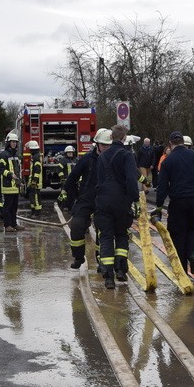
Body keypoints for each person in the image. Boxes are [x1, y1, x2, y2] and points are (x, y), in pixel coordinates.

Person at [153, 130, 194, 275]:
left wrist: (158, 206)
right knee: (192, 230)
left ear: (170, 144)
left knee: (178, 234)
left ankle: (183, 271)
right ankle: (193, 254)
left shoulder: (168, 161)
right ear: (183, 142)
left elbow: (162, 187)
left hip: (178, 202)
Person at [94, 124, 141, 289]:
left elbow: (98, 182)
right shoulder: (127, 156)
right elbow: (131, 180)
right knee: (121, 234)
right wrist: (135, 200)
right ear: (123, 138)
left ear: (112, 137)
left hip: (103, 201)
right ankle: (120, 270)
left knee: (106, 236)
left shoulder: (101, 157)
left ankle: (108, 278)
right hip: (122, 202)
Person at [62, 128, 110, 269]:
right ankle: (78, 257)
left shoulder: (113, 159)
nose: (106, 148)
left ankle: (101, 261)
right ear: (97, 144)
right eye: (103, 145)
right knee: (76, 227)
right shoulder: (87, 159)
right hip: (86, 197)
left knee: (103, 231)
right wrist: (65, 191)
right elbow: (73, 177)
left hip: (104, 199)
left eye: (108, 145)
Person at [0, 131, 24, 232]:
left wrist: (19, 181)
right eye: (12, 142)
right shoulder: (3, 155)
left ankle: (14, 224)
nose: (14, 144)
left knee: (14, 207)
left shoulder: (16, 155)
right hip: (8, 186)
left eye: (16, 142)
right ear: (8, 143)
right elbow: (0, 168)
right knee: (7, 207)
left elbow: (17, 170)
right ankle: (7, 225)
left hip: (15, 186)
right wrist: (9, 174)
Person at [25, 140, 44, 215]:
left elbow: (37, 170)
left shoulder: (36, 157)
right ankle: (33, 210)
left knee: (36, 197)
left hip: (36, 182)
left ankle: (37, 212)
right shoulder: (36, 156)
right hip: (33, 181)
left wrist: (34, 181)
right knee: (32, 196)